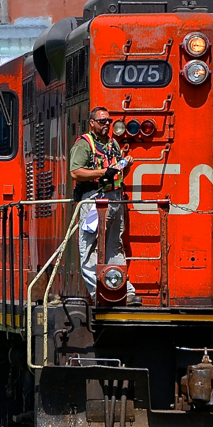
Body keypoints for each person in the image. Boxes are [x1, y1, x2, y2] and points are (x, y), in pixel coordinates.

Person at [69, 107, 131, 299]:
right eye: (102, 121)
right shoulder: (84, 144)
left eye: (109, 121)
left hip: (115, 200)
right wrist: (104, 172)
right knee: (88, 246)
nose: (106, 124)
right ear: (92, 123)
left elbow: (118, 173)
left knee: (115, 245)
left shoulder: (113, 144)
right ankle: (98, 292)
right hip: (93, 201)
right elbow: (75, 172)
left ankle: (121, 289)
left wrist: (125, 166)